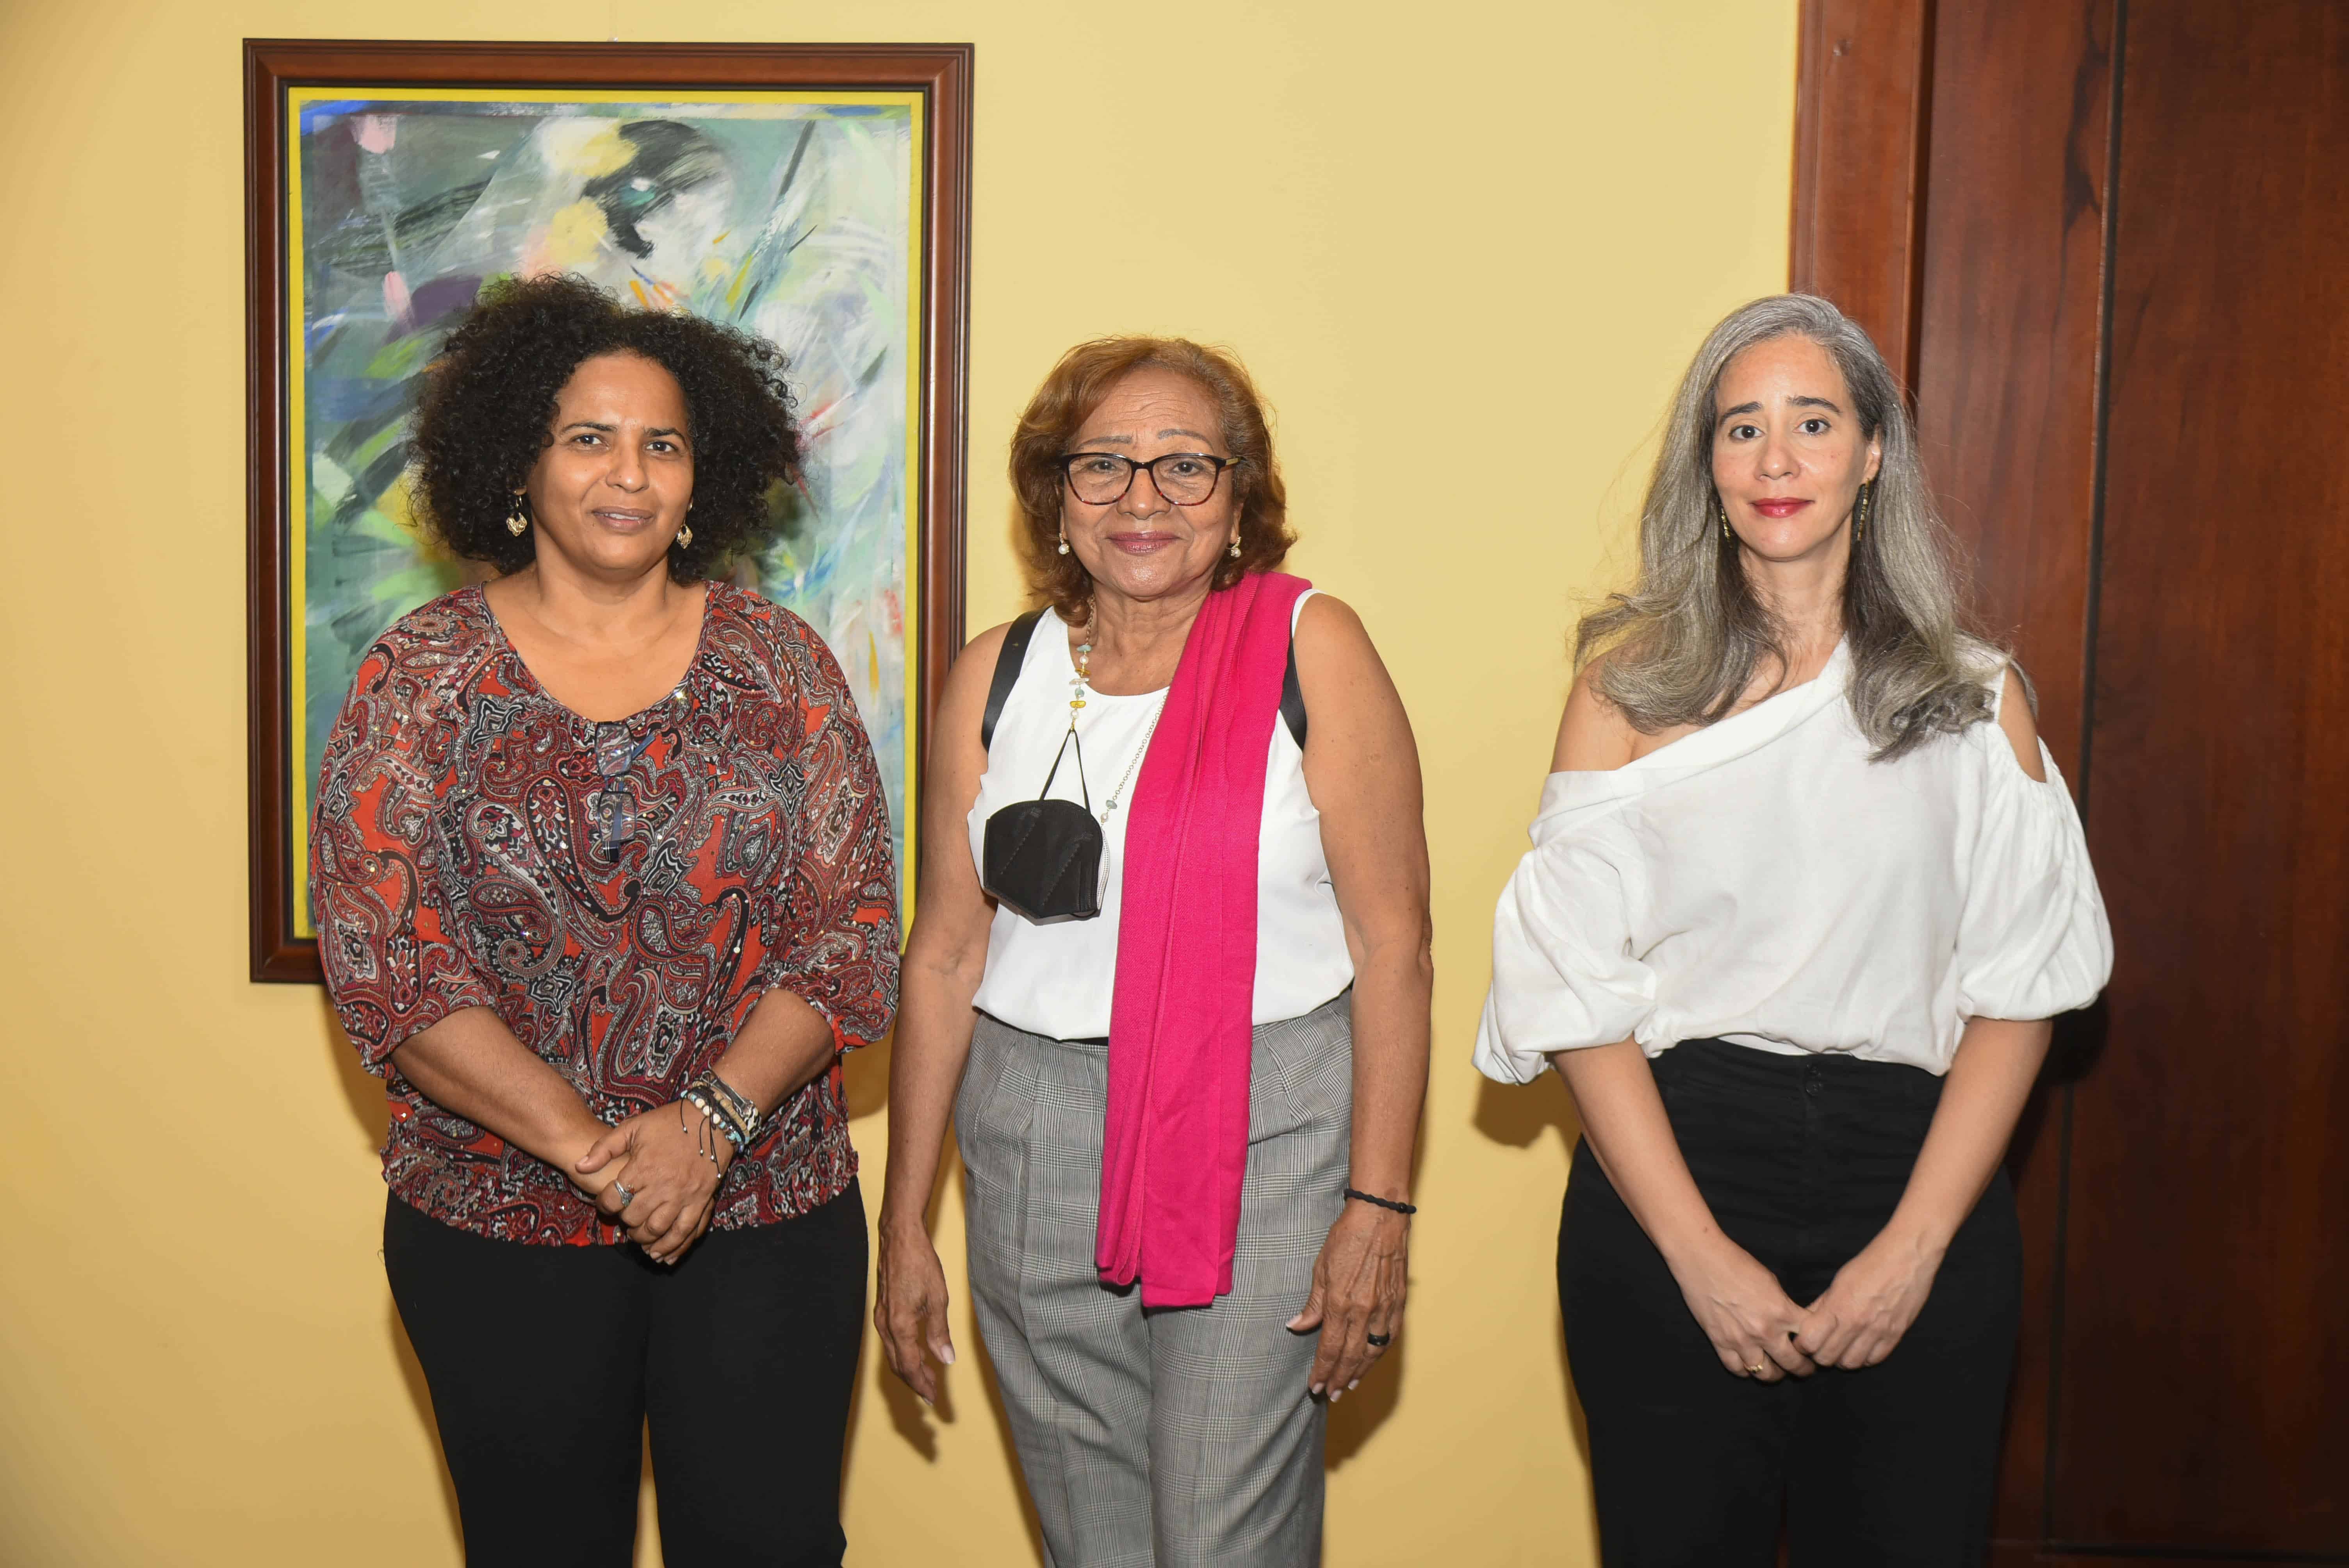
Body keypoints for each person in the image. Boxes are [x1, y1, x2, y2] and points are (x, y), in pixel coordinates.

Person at [1476, 294, 2112, 1565]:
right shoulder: (1627, 693)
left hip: (1917, 1176)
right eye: (1741, 428)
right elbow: (1575, 997)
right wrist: (1699, 1255)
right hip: (1676, 1175)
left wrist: (1914, 1250)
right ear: (1704, 469)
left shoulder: (1977, 703)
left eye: (1813, 423)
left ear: (1873, 453)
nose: (1777, 460)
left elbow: (2021, 993)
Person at [310, 274, 898, 1568]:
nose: (627, 474)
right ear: (521, 463)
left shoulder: (783, 664)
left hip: (766, 1215)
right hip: (497, 1224)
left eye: (662, 443)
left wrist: (709, 1131)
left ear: (703, 479)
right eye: (589, 437)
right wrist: (599, 1153)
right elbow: (389, 972)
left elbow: (851, 935)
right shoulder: (418, 678)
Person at [875, 337, 1432, 1564]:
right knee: (1096, 1542)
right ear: (1055, 498)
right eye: (1104, 466)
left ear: (1240, 498)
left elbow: (1394, 944)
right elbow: (946, 960)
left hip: (1264, 1129)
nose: (1142, 500)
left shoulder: (1308, 648)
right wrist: (904, 1219)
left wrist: (1378, 1207)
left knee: (1218, 1534)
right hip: (1028, 1136)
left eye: (1185, 466)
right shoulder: (997, 674)